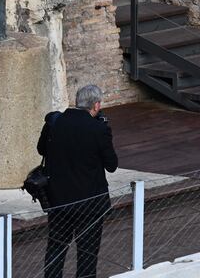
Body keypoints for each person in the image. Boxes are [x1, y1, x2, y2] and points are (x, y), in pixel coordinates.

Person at [37, 85, 119, 278]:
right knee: (87, 254)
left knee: (56, 249)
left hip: (59, 201)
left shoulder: (55, 123)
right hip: (89, 204)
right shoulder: (98, 129)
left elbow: (41, 150)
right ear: (96, 105)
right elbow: (112, 165)